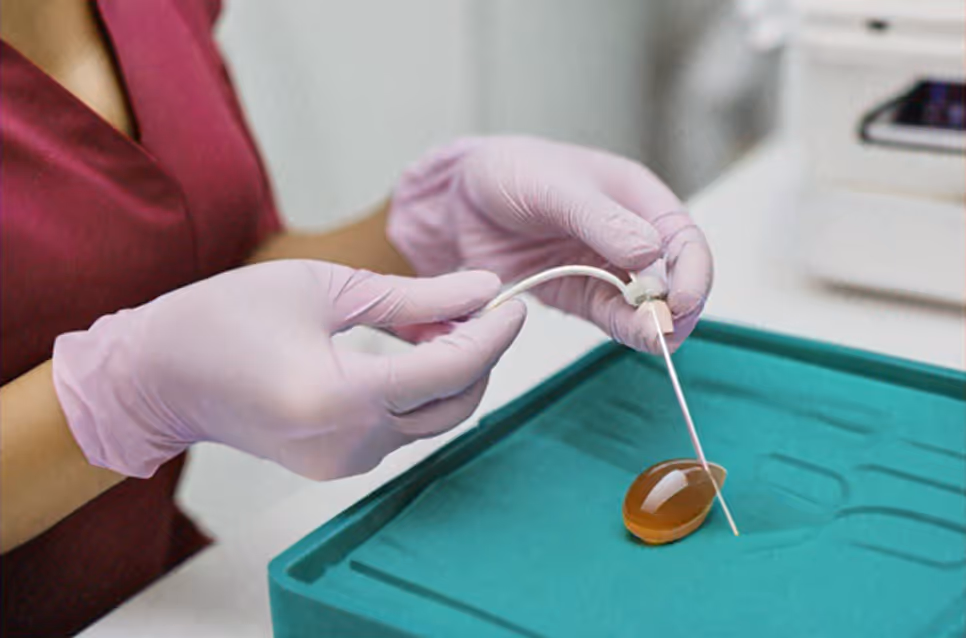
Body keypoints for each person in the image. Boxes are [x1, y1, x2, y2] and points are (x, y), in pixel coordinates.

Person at [0, 0, 713, 634]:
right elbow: (164, 349)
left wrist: (420, 230)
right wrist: (123, 395)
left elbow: (209, 275)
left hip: (166, 596)